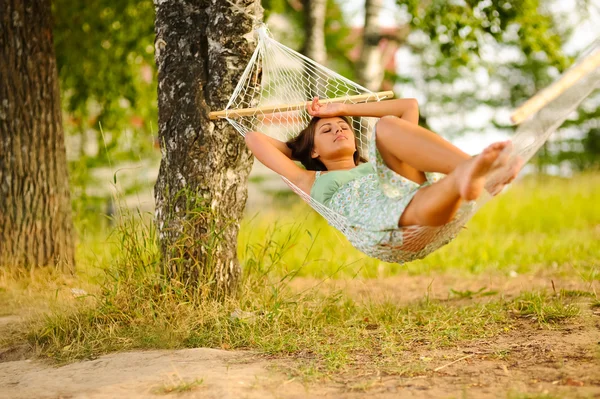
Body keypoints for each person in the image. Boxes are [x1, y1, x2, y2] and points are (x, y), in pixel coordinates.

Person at [244, 97, 519, 257]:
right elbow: (255, 138)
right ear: (314, 149)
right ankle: (466, 176)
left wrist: (342, 109)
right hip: (385, 226)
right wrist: (303, 149)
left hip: (413, 192)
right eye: (327, 131)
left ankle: (469, 172)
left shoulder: (377, 165)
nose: (339, 130)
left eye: (343, 128)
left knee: (387, 126)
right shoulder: (308, 181)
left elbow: (407, 107)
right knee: (412, 204)